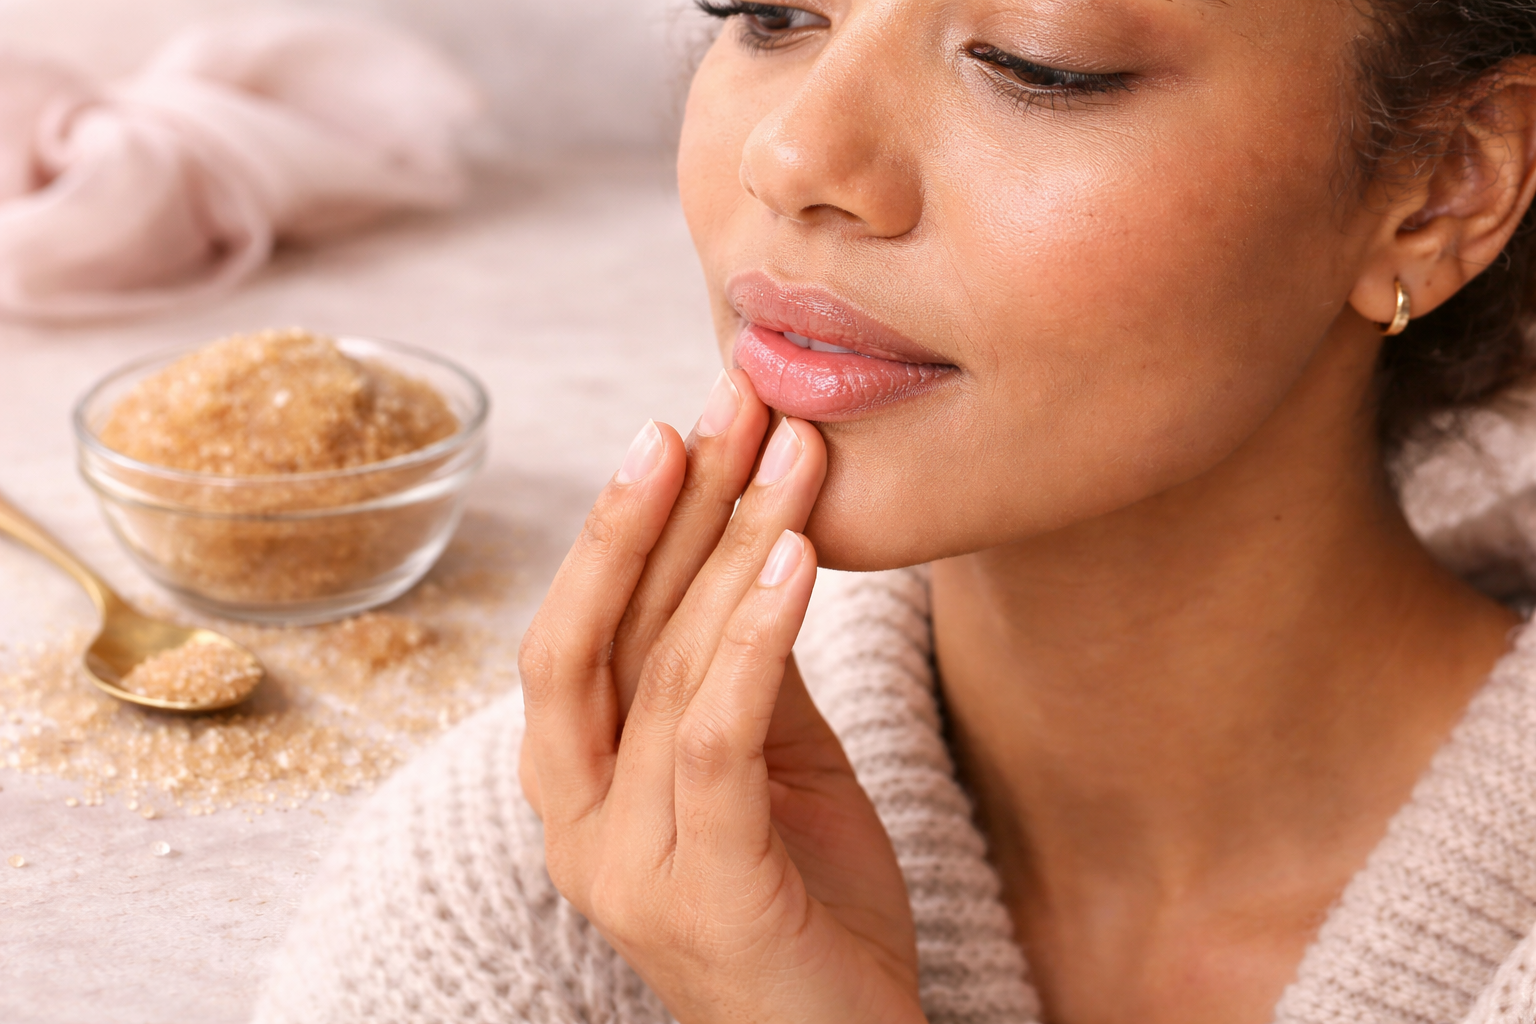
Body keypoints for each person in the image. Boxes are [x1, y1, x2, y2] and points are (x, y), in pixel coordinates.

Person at [256, 2, 1536, 1022]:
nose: (797, 155)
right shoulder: (523, 887)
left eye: (1041, 64)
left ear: (1442, 187)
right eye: (766, 15)